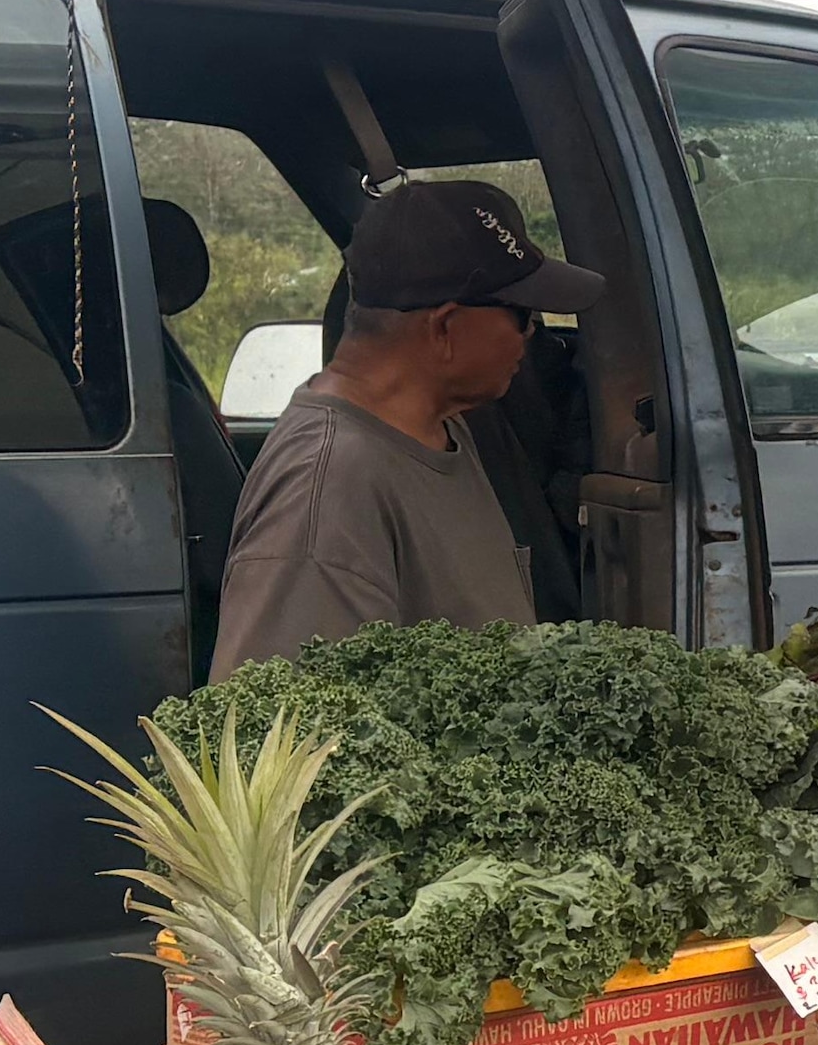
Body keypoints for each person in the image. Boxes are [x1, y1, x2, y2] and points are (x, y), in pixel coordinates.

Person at [212, 176, 608, 676]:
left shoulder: (443, 431)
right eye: (523, 315)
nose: (530, 336)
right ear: (444, 327)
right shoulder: (327, 489)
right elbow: (284, 732)